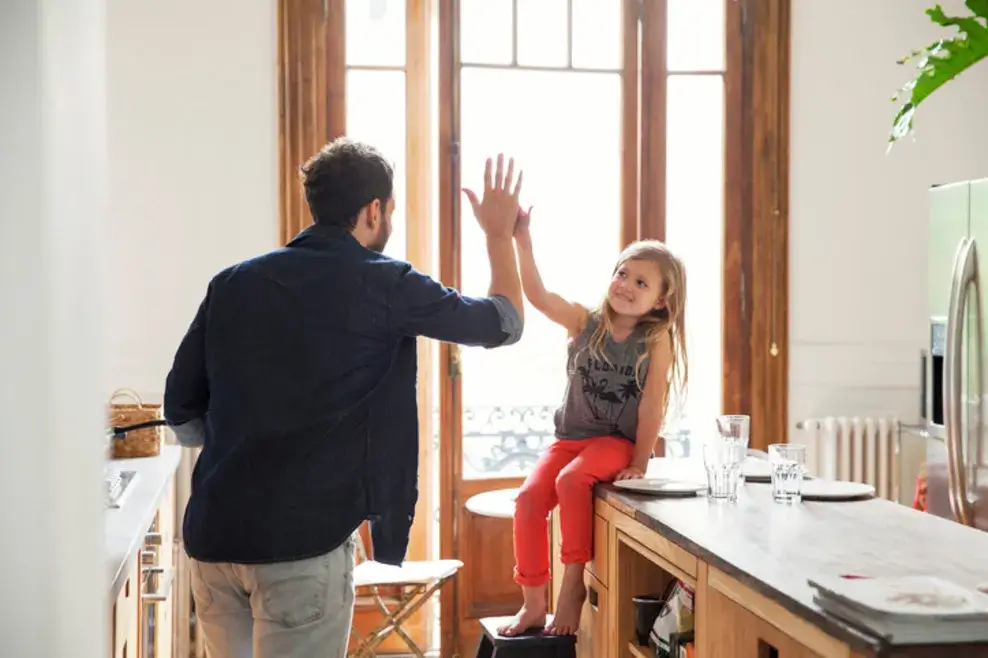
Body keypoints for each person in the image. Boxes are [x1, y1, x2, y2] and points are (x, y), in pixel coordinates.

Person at [163, 138, 525, 658]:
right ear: (374, 209)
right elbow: (503, 323)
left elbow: (182, 413)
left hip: (214, 539)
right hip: (300, 548)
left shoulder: (233, 283)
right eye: (391, 210)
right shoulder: (386, 282)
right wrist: (497, 236)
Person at [499, 207, 688, 637]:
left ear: (660, 300)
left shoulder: (655, 339)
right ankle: (532, 604)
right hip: (569, 438)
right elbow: (539, 296)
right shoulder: (586, 322)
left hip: (614, 443)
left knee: (572, 481)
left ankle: (572, 587)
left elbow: (652, 405)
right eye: (623, 274)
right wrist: (522, 242)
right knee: (528, 500)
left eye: (641, 282)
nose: (626, 286)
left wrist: (640, 462)